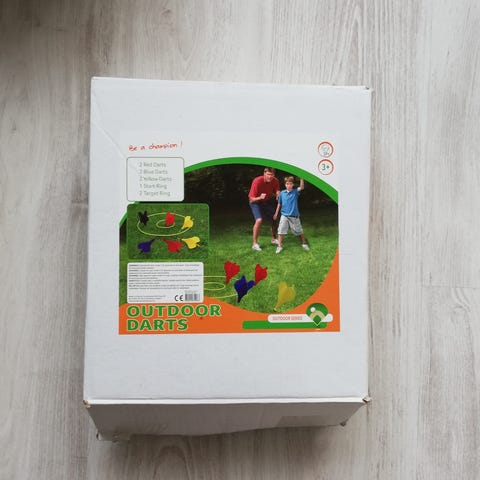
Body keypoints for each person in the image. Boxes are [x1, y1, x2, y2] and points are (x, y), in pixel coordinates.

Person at [273, 176, 309, 253]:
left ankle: (304, 243)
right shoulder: (282, 193)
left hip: (294, 215)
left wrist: (301, 178)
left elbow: (302, 187)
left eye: (290, 184)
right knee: (281, 230)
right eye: (287, 184)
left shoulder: (295, 192)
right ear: (285, 184)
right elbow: (279, 204)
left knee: (299, 231)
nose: (289, 185)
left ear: (293, 184)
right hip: (284, 215)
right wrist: (276, 213)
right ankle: (279, 246)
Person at [248, 167, 281, 251]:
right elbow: (251, 199)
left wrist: (278, 193)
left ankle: (273, 239)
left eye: (272, 175)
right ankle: (254, 244)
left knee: (274, 217)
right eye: (268, 174)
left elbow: (277, 190)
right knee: (259, 220)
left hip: (266, 202)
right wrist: (259, 197)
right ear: (264, 174)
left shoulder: (275, 181)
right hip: (255, 202)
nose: (270, 176)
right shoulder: (257, 181)